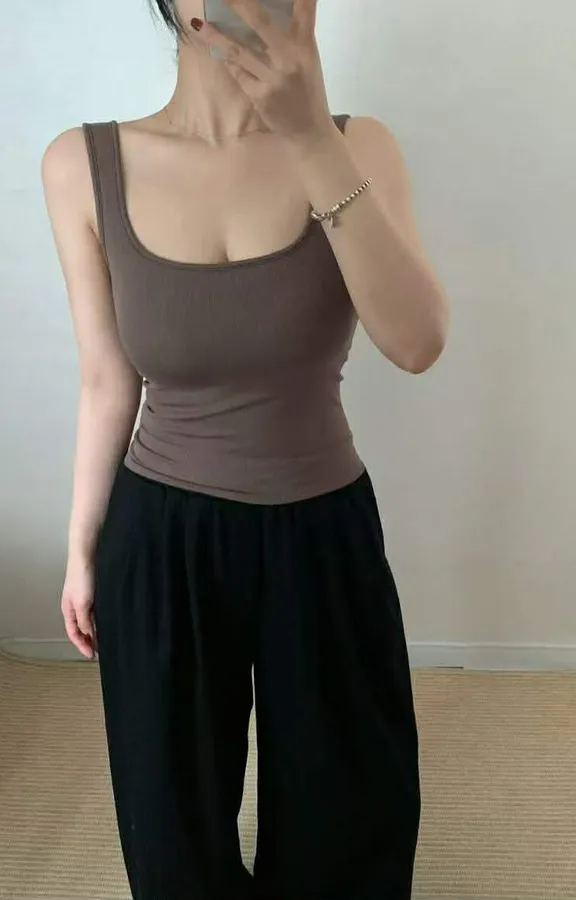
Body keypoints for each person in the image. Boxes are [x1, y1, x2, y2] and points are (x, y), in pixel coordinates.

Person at [42, 1, 449, 898]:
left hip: (323, 534)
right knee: (171, 830)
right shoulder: (82, 164)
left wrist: (309, 136)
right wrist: (81, 548)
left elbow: (418, 343)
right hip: (162, 538)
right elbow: (107, 379)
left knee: (350, 816)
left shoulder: (359, 146)